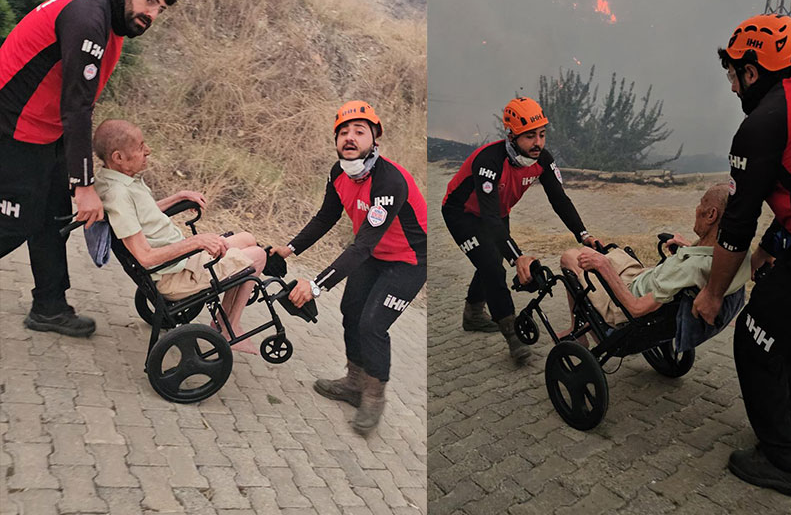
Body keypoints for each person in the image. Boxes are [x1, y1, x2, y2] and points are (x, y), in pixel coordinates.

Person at [689, 13, 791, 497]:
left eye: (735, 74)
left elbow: (734, 224)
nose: (734, 87)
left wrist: (714, 293)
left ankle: (783, 460)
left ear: (753, 71)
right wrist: (767, 251)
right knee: (782, 316)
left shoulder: (762, 124)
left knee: (754, 334)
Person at [0, 0, 179, 337]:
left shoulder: (108, 23)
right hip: (12, 126)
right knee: (13, 223)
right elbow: (77, 106)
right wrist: (83, 185)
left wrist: (72, 170)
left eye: (160, 9)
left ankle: (49, 307)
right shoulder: (88, 20)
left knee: (51, 219)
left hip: (44, 130)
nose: (152, 14)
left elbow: (76, 104)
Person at [278, 101, 428, 435]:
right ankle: (354, 382)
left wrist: (316, 285)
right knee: (351, 311)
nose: (350, 137)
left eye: (359, 131)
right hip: (374, 256)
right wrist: (289, 249)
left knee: (373, 324)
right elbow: (325, 217)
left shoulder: (390, 181)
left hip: (408, 261)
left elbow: (361, 245)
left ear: (375, 138)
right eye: (343, 132)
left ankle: (373, 398)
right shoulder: (338, 173)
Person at [441, 96, 600, 364]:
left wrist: (584, 234)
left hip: (497, 212)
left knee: (490, 257)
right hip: (462, 213)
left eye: (542, 134)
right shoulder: (489, 161)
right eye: (529, 137)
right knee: (493, 265)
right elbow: (489, 217)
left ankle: (473, 314)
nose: (538, 143)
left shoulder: (542, 159)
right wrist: (518, 257)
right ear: (512, 136)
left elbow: (559, 199)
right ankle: (513, 336)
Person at [92, 120, 263, 353]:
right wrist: (196, 241)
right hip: (174, 275)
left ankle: (226, 319)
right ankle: (228, 326)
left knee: (247, 239)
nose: (148, 151)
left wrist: (178, 197)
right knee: (258, 256)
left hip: (178, 260)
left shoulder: (113, 179)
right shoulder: (118, 194)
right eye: (141, 147)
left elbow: (143, 215)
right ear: (118, 157)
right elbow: (145, 257)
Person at [544, 183, 751, 328]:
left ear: (711, 215)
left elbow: (636, 309)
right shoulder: (735, 257)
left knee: (571, 257)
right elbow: (705, 260)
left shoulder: (689, 269)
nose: (697, 208)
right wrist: (686, 246)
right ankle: (579, 319)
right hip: (645, 278)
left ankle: (578, 330)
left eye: (701, 204)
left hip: (625, 301)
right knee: (595, 250)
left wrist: (604, 267)